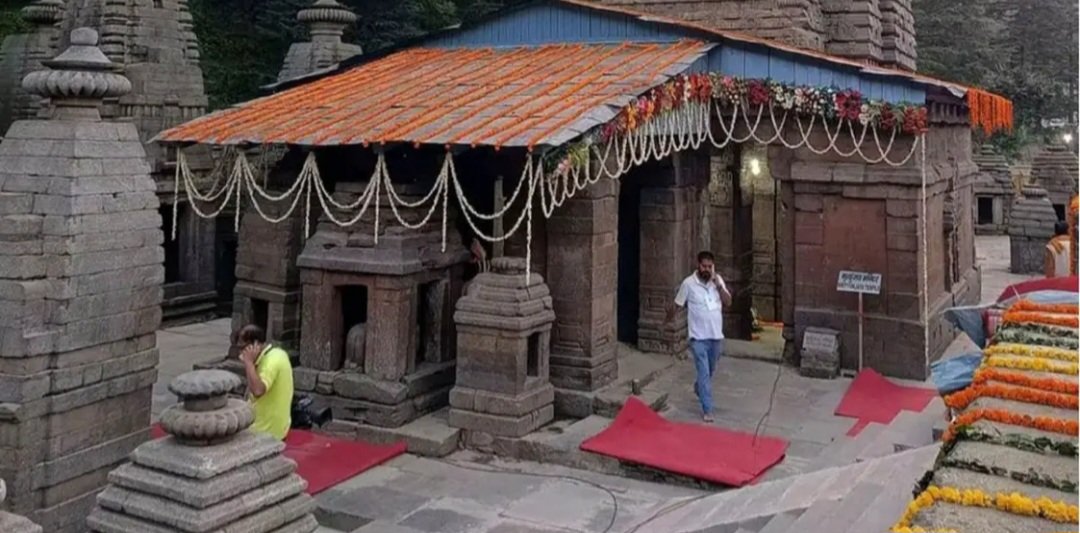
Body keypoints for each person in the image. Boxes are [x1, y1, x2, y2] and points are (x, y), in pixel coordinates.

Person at [671, 251, 732, 422]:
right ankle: (707, 409)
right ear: (698, 265)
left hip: (716, 336)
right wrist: (666, 322)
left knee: (710, 369)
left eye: (709, 267)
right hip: (698, 338)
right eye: (704, 266)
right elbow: (677, 305)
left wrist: (718, 285)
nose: (707, 269)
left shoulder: (718, 281)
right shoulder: (688, 284)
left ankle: (699, 388)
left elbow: (728, 302)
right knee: (704, 372)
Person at [234, 324, 294, 440]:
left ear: (256, 344)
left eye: (243, 348)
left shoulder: (272, 360)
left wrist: (249, 363)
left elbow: (258, 390)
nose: (241, 354)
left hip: (266, 432)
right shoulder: (265, 357)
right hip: (259, 424)